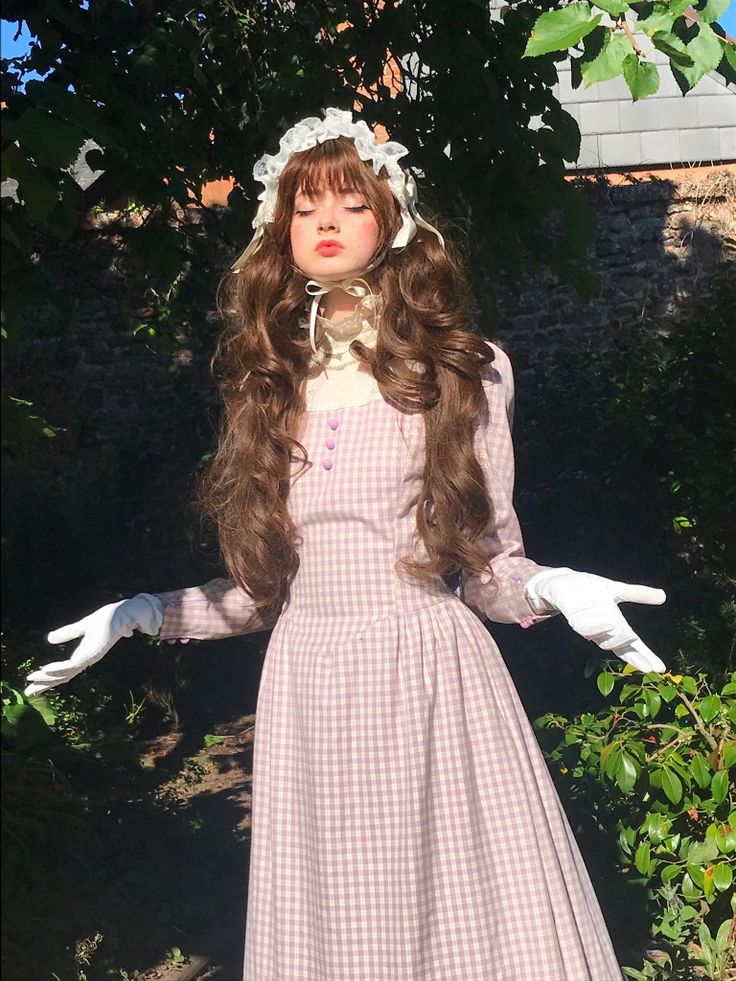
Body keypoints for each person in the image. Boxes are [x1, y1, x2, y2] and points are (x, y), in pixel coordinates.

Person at [25, 107, 667, 981]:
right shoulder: (268, 387)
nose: (325, 221)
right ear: (279, 229)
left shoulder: (462, 370)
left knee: (463, 924)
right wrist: (144, 615)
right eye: (304, 204)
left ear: (392, 221)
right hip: (311, 687)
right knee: (343, 935)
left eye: (350, 202)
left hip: (431, 679)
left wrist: (551, 588)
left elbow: (487, 566)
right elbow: (257, 593)